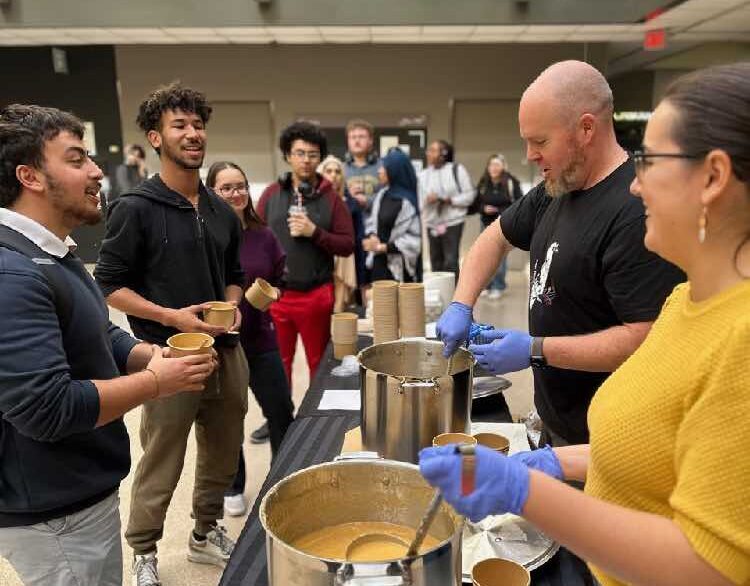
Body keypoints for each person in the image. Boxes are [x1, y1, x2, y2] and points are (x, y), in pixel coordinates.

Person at [421, 62, 750, 586]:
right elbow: (655, 446)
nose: (637, 185)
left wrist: (529, 492)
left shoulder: (741, 342)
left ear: (712, 178)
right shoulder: (686, 300)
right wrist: (551, 465)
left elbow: (709, 568)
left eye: (651, 161)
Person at [0, 104, 214, 586]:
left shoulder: (55, 251)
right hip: (53, 513)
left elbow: (95, 330)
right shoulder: (12, 273)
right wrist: (154, 383)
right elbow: (46, 409)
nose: (97, 171)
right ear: (30, 176)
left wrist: (146, 353)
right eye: (77, 160)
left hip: (79, 493)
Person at [437, 60, 684, 446]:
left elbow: (647, 338)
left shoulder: (636, 210)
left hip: (606, 440)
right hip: (557, 420)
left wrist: (537, 350)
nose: (530, 155)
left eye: (540, 141)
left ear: (587, 128)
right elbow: (494, 238)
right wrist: (462, 303)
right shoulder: (558, 186)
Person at [94, 82, 250, 584]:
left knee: (223, 451)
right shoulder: (134, 208)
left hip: (225, 353)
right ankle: (143, 551)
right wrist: (171, 318)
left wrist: (232, 302)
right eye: (179, 125)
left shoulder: (222, 210)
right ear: (155, 137)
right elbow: (109, 286)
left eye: (198, 125)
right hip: (165, 357)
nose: (192, 134)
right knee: (163, 457)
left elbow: (235, 275)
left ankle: (205, 533)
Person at [206, 161, 295, 516]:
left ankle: (281, 475)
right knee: (229, 418)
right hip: (223, 343)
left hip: (261, 337)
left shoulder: (264, 234)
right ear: (211, 191)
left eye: (240, 185)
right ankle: (233, 484)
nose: (235, 193)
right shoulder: (206, 236)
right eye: (226, 187)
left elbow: (280, 277)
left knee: (280, 411)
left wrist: (272, 292)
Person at [257, 121, 354, 384]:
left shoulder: (331, 198)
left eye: (312, 155)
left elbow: (347, 245)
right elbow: (253, 237)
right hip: (277, 297)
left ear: (319, 158)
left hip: (316, 296)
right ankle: (281, 423)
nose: (306, 160)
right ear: (288, 156)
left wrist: (315, 233)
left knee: (318, 364)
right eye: (300, 153)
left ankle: (315, 425)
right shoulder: (271, 194)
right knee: (279, 364)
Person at [418, 139, 475, 279]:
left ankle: (454, 296)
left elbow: (470, 195)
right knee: (435, 261)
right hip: (432, 223)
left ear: (443, 153)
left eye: (432, 150)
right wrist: (427, 200)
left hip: (453, 222)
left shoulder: (456, 170)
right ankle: (439, 294)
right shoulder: (423, 175)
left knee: (450, 261)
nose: (428, 153)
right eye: (428, 150)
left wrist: (448, 200)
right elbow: (419, 199)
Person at [362, 148, 421, 282]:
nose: (379, 171)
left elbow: (414, 240)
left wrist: (385, 247)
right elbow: (373, 222)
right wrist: (372, 236)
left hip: (400, 266)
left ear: (395, 170)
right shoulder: (382, 194)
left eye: (384, 167)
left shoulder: (407, 202)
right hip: (379, 262)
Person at [475, 153, 523, 299]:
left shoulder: (511, 182)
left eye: (497, 165)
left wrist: (500, 210)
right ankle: (487, 285)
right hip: (485, 223)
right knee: (484, 256)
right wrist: (483, 209)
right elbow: (476, 202)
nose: (494, 168)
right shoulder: (483, 183)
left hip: (503, 224)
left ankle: (498, 286)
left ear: (503, 166)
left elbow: (519, 203)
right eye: (491, 165)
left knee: (500, 256)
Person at [318, 155, 361, 311]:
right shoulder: (314, 201)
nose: (333, 175)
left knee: (341, 303)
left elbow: (357, 236)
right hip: (322, 255)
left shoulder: (351, 203)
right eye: (329, 171)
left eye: (337, 171)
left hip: (344, 256)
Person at [343, 118, 382, 213]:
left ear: (370, 141)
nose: (356, 141)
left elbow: (389, 197)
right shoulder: (339, 169)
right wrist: (348, 197)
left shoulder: (382, 167)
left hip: (377, 224)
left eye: (361, 137)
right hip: (349, 223)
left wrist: (367, 201)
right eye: (352, 137)